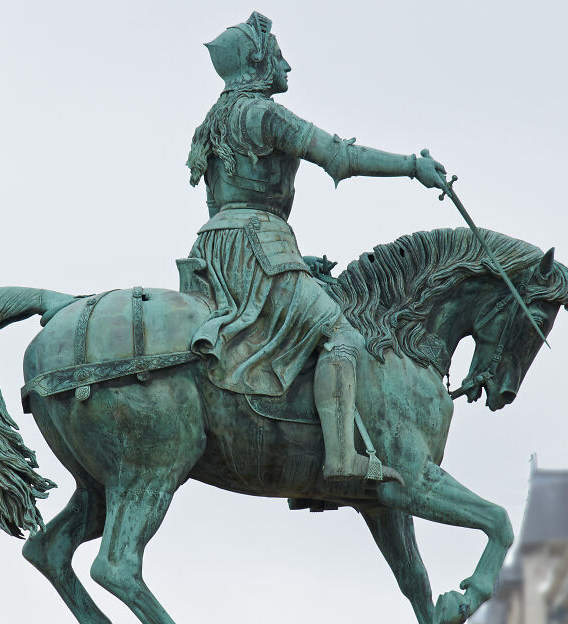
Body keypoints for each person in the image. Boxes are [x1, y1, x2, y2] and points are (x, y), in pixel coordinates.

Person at [187, 11, 447, 484]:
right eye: (280, 56)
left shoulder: (213, 121)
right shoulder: (264, 113)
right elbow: (340, 157)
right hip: (259, 248)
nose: (287, 67)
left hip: (215, 252)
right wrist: (413, 167)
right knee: (342, 335)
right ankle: (342, 457)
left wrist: (290, 261)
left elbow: (220, 203)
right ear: (259, 60)